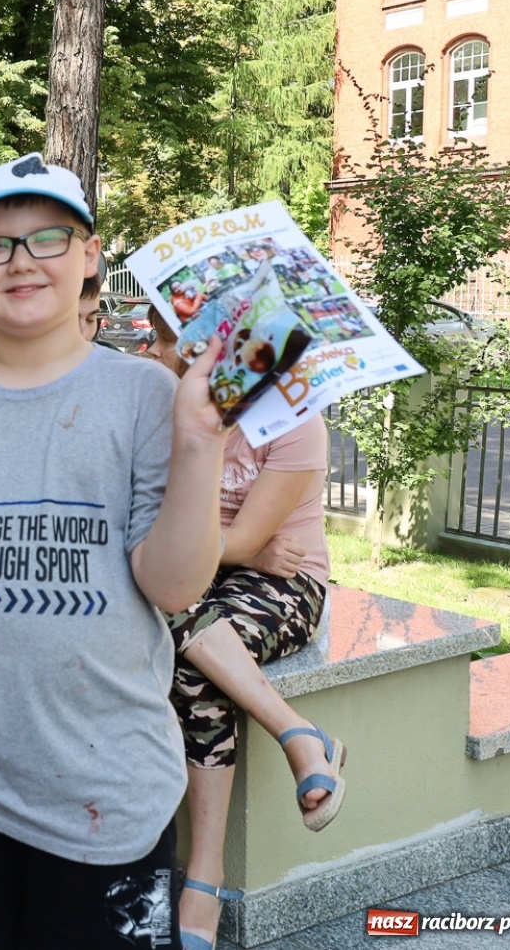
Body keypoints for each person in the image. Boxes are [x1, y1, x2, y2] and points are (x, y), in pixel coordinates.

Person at [0, 153, 231, 950]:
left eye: (48, 237)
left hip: (112, 796)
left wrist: (199, 446)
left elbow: (172, 584)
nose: (21, 260)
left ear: (91, 257)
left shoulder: (145, 396)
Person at [144, 313, 345, 950]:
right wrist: (231, 551)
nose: (160, 351)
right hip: (202, 581)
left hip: (286, 586)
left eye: (171, 341)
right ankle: (298, 732)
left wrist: (236, 552)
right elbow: (142, 524)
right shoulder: (162, 406)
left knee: (185, 651)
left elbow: (252, 543)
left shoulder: (295, 423)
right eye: (164, 340)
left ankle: (205, 870)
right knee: (170, 608)